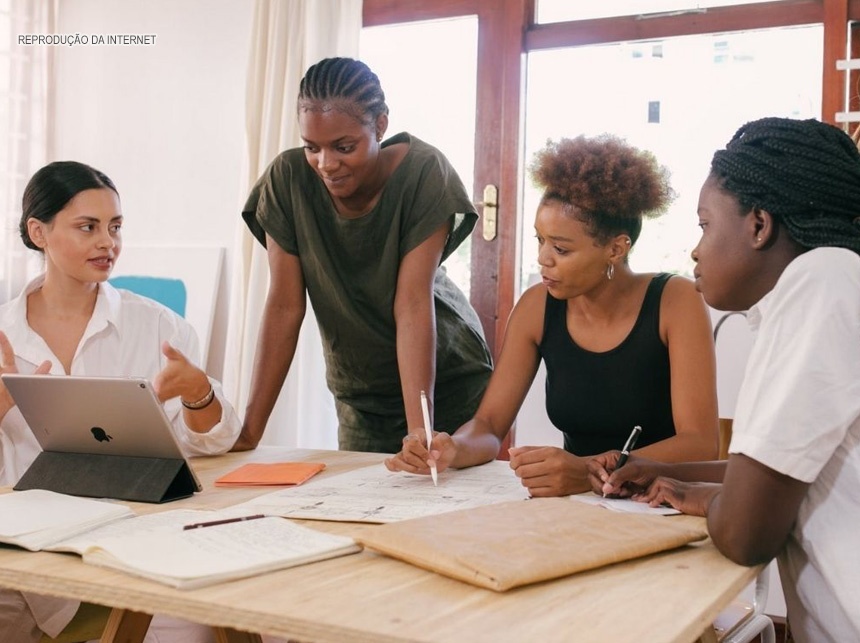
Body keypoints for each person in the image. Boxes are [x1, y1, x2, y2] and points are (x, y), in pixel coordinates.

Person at [593, 117, 860, 643]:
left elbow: (744, 536)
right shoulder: (838, 278)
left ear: (759, 225)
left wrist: (712, 502)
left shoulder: (821, 282)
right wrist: (669, 474)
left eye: (704, 225)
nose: (696, 250)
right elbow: (789, 467)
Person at [386, 134, 719, 496]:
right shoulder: (536, 307)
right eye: (540, 241)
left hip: (663, 502)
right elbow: (489, 424)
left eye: (561, 248)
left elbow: (700, 444)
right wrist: (452, 447)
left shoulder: (676, 301)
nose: (544, 259)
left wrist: (586, 469)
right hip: (580, 503)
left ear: (615, 248)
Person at [0, 160, 241, 643]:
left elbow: (215, 443)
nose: (107, 242)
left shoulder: (158, 327)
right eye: (87, 227)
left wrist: (198, 392)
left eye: (115, 227)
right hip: (20, 551)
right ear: (38, 232)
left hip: (127, 544)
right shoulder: (4, 330)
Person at [237, 56, 493, 454]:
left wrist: (418, 433)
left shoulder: (424, 173)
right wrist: (249, 433)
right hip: (362, 398)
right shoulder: (286, 180)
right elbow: (285, 306)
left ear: (380, 125)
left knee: (440, 507)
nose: (326, 164)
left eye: (344, 147)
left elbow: (411, 303)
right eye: (311, 147)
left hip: (448, 387)